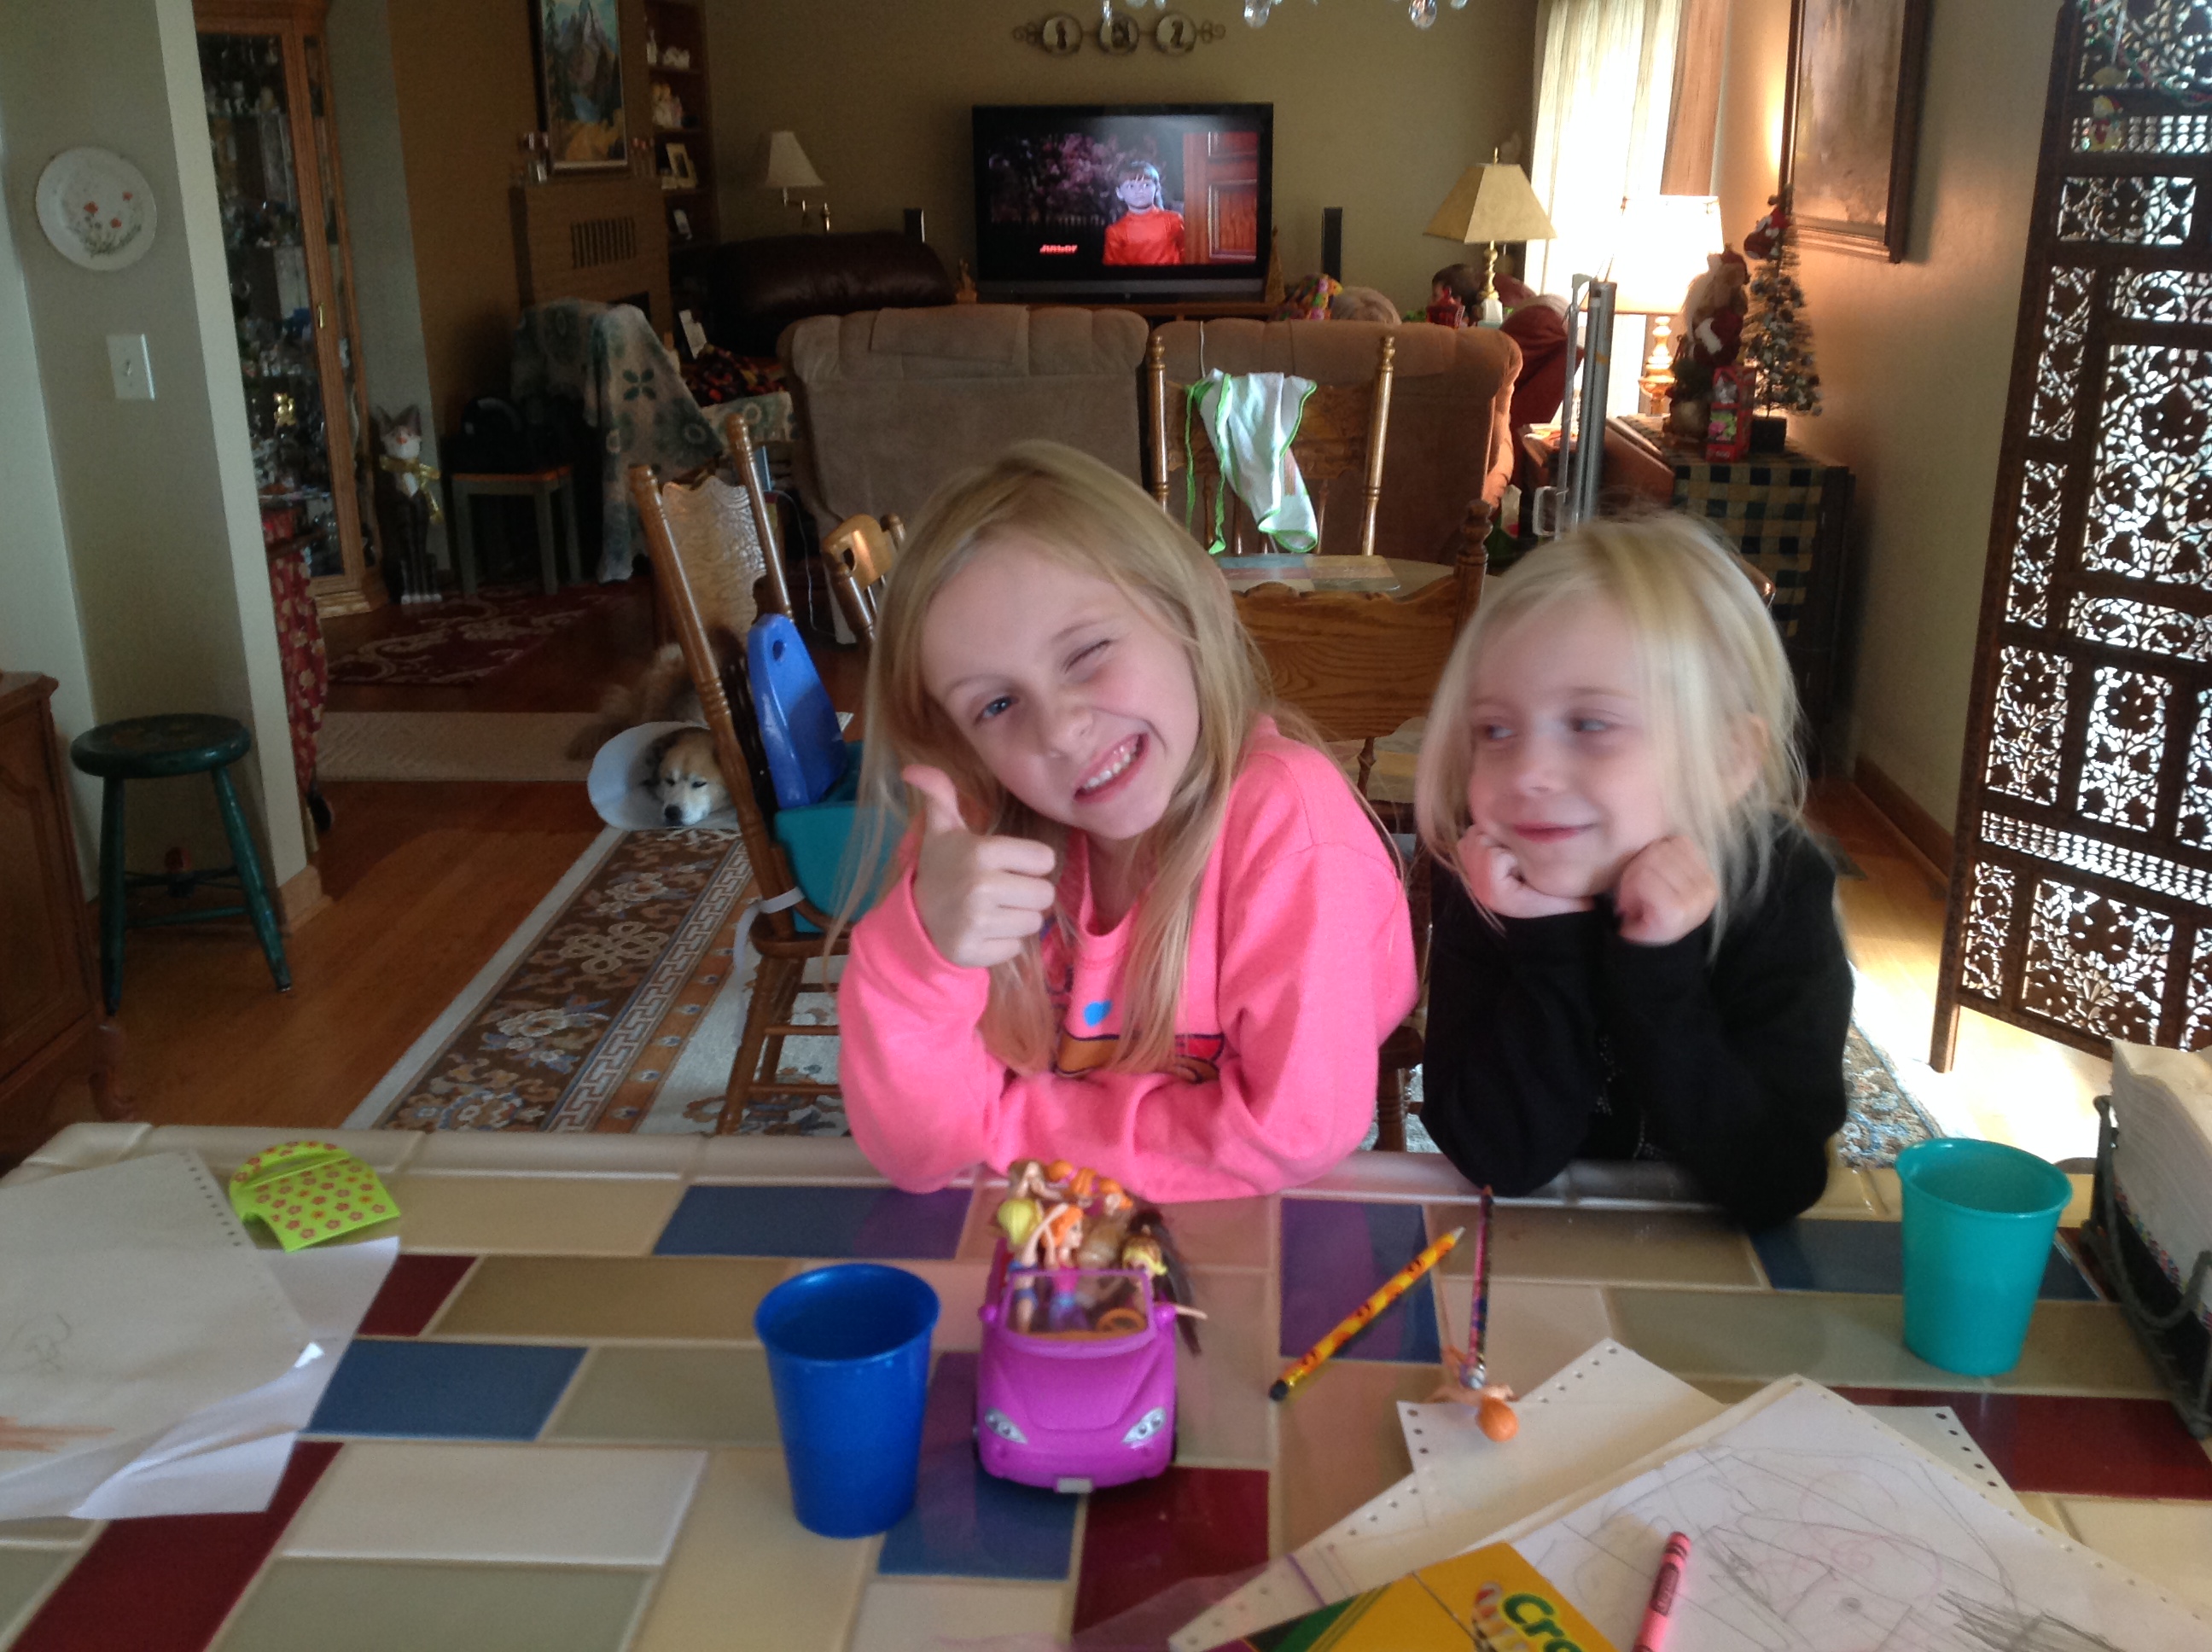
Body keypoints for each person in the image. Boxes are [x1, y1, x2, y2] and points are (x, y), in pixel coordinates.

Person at [837, 441, 1416, 1201]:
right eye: (997, 705)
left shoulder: (1291, 830)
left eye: (1087, 653)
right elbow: (919, 1154)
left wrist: (1005, 1130)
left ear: (1190, 607)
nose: (1058, 730)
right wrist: (917, 961)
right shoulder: (974, 844)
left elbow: (1293, 1132)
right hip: (1051, 1247)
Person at [1413, 515, 1850, 1228]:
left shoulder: (1778, 890)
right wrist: (1549, 945)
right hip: (1546, 1258)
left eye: (1591, 725)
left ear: (1727, 761)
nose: (1528, 772)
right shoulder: (1493, 878)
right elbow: (1497, 1159)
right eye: (1495, 729)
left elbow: (1778, 1179)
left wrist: (1658, 967)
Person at [1102, 160, 1185, 266]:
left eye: (1146, 185)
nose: (1139, 190)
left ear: (1157, 189)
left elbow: (1187, 253)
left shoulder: (1174, 220)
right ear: (1119, 193)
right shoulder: (1115, 232)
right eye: (1131, 186)